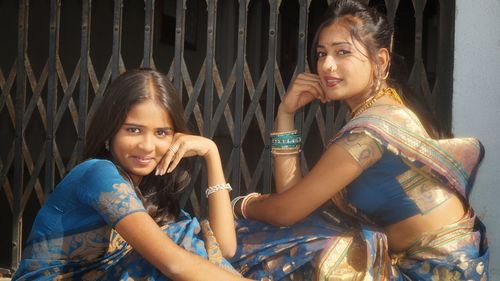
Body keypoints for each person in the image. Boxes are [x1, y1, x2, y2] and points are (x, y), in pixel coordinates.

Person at [229, 0, 489, 280]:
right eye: (321, 53)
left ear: (381, 60)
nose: (327, 65)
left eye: (342, 52)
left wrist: (243, 205)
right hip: (422, 261)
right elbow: (295, 200)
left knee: (263, 245)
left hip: (433, 273)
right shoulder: (383, 110)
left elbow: (287, 212)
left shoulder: (371, 130)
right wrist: (285, 114)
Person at [13, 69, 251, 280]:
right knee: (178, 248)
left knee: (186, 239)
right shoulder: (98, 173)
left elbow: (223, 249)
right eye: (133, 130)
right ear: (110, 131)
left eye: (161, 133)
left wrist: (211, 152)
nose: (147, 146)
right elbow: (174, 264)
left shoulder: (150, 192)